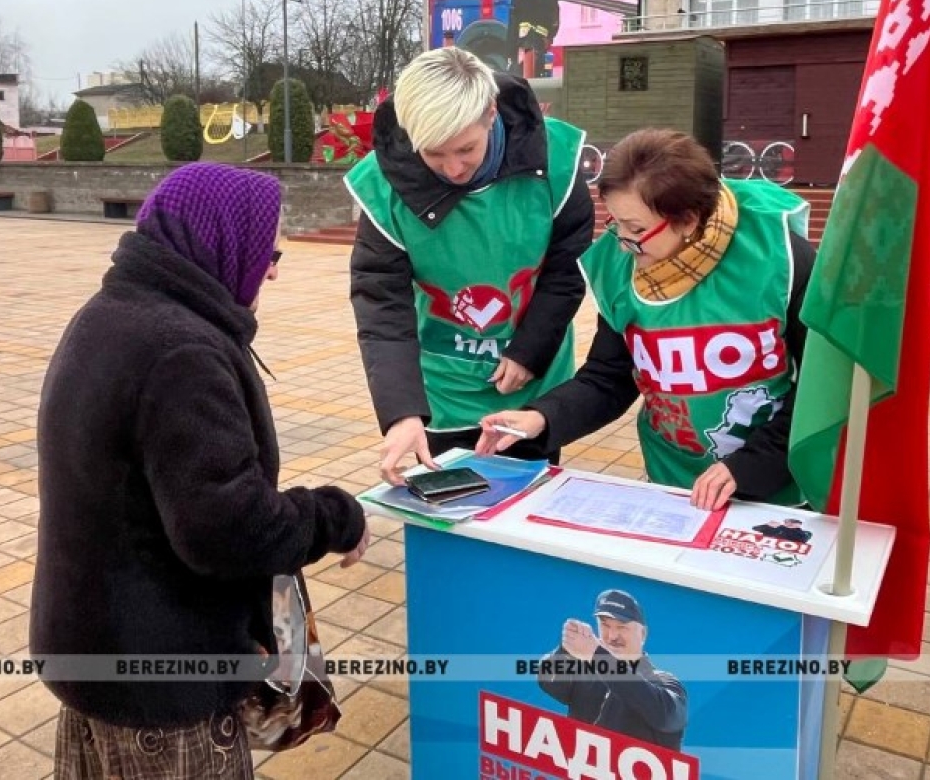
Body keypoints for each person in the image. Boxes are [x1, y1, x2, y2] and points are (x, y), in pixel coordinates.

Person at [30, 163, 371, 779]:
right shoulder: (180, 350)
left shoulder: (117, 310)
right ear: (221, 244)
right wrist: (335, 517)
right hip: (159, 685)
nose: (270, 267)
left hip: (98, 655)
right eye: (266, 251)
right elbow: (226, 526)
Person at [480, 128, 815, 509]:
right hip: (674, 484)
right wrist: (540, 417)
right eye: (615, 223)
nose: (622, 241)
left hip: (771, 483)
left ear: (688, 220)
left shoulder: (780, 260)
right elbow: (609, 379)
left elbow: (818, 389)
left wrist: (750, 466)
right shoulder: (620, 265)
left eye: (636, 229)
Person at [346, 47, 594, 484]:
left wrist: (529, 352)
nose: (453, 168)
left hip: (529, 379)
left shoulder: (557, 160)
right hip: (442, 381)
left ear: (491, 114)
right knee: (445, 512)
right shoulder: (382, 187)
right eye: (434, 154)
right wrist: (402, 412)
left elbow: (566, 271)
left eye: (466, 148)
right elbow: (382, 308)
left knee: (526, 506)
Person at [538, 590, 687, 750]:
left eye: (622, 627)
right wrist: (566, 650)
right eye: (605, 625)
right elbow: (547, 681)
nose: (612, 636)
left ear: (643, 634)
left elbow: (666, 716)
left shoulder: (663, 681)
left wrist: (598, 657)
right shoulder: (587, 673)